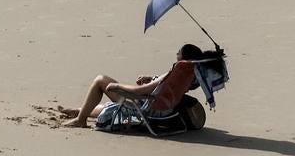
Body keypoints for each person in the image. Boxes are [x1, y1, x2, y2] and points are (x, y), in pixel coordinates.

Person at [61, 43, 205, 128]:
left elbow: (139, 90)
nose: (176, 53)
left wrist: (118, 87)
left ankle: (80, 120)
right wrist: (152, 79)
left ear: (183, 57)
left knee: (100, 80)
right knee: (110, 107)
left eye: (179, 52)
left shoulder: (173, 72)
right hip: (165, 109)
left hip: (148, 108)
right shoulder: (189, 75)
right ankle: (80, 111)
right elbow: (166, 86)